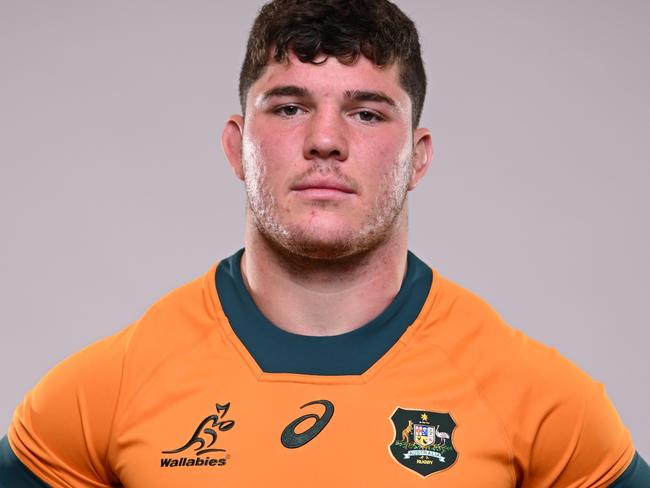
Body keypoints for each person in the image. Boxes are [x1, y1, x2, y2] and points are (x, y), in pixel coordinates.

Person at [1, 0, 648, 486]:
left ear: (418, 157)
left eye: (367, 112)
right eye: (288, 107)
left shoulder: (534, 397)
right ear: (237, 146)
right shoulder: (107, 391)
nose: (326, 140)